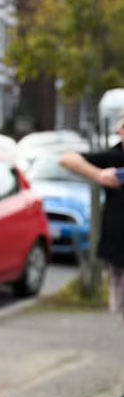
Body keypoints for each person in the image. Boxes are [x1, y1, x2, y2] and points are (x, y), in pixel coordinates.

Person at [60, 115, 124, 324]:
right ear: (119, 132)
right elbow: (67, 159)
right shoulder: (113, 157)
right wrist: (98, 175)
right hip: (119, 246)